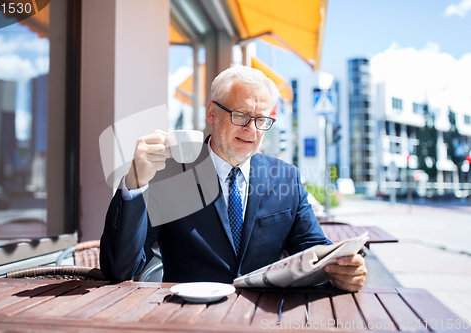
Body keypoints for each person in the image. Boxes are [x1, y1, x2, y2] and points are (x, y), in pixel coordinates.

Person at [100, 66, 367, 292]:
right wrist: (135, 184)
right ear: (211, 113)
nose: (251, 130)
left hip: (264, 319)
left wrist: (342, 270)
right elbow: (121, 269)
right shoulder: (169, 176)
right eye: (240, 116)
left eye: (262, 119)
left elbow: (314, 250)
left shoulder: (286, 178)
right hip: (188, 321)